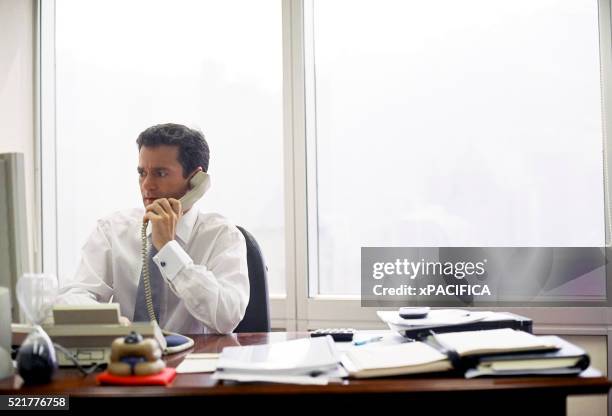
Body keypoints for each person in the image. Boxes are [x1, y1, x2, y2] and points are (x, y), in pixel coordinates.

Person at [56, 123, 249, 334]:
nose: (147, 185)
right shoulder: (112, 230)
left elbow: (227, 317)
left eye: (160, 173)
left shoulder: (222, 236)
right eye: (142, 173)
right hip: (127, 357)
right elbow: (75, 296)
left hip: (193, 360)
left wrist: (168, 250)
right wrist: (111, 326)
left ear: (195, 180)